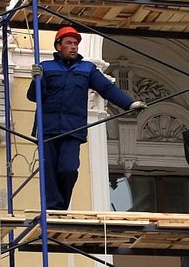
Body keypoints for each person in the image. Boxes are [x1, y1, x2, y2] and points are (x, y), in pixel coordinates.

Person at [26, 26, 144, 211]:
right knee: (48, 171)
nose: (74, 47)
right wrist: (36, 79)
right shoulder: (45, 67)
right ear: (58, 46)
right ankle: (52, 208)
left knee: (69, 169)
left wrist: (129, 104)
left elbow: (106, 89)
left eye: (76, 43)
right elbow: (34, 97)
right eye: (69, 43)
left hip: (72, 129)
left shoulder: (87, 69)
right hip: (47, 128)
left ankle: (60, 207)